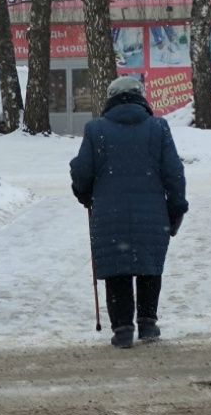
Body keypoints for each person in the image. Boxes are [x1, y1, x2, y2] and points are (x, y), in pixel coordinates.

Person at [70, 76, 189, 349]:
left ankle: (122, 329)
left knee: (117, 269)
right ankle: (148, 322)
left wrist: (84, 194)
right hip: (153, 213)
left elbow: (82, 173)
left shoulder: (95, 130)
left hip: (109, 215)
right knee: (149, 267)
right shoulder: (158, 128)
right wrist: (176, 208)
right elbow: (174, 173)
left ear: (110, 98)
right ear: (141, 97)